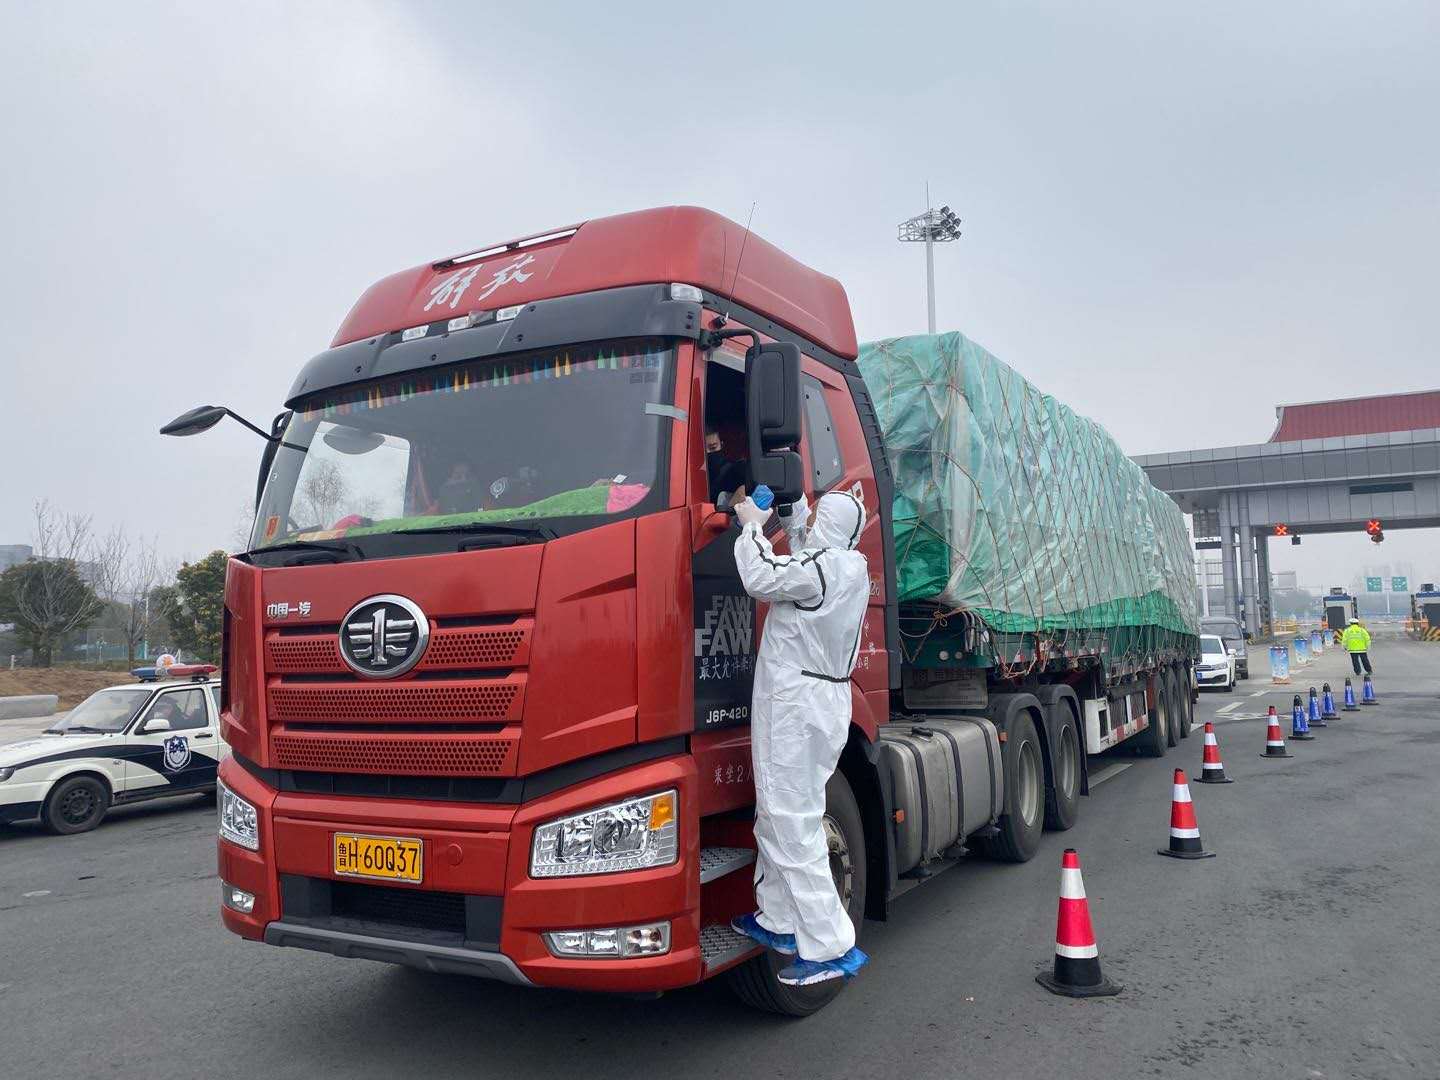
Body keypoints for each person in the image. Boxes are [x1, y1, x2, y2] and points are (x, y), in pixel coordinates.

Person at [729, 489, 870, 987]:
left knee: (792, 821)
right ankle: (778, 919)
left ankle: (830, 946)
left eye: (817, 520)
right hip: (819, 701)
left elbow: (761, 576)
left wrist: (751, 525)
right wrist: (794, 522)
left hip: (795, 704)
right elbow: (811, 555)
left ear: (828, 526)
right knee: (777, 814)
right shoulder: (849, 566)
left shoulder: (821, 570)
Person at [706, 428, 748, 504]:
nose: (707, 452)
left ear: (721, 445)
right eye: (703, 450)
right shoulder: (690, 477)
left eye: (713, 448)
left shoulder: (737, 470)